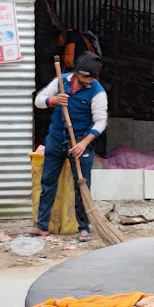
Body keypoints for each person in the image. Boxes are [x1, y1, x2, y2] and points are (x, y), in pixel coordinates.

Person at [32, 53, 107, 241]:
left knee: (82, 185)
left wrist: (83, 143)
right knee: (48, 183)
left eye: (90, 78)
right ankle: (42, 226)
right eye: (83, 78)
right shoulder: (60, 81)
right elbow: (38, 101)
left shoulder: (97, 92)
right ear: (76, 73)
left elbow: (100, 122)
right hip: (56, 140)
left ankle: (84, 227)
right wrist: (53, 101)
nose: (86, 82)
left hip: (80, 142)